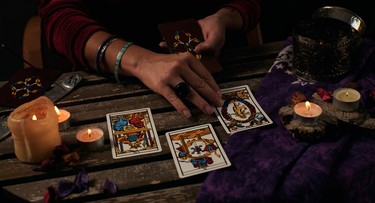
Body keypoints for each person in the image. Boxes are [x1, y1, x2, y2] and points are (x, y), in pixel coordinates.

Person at [38, 0, 261, 119]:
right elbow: (58, 18)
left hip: (216, 77)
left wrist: (224, 17)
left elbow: (248, 3)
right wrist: (140, 61)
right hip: (114, 90)